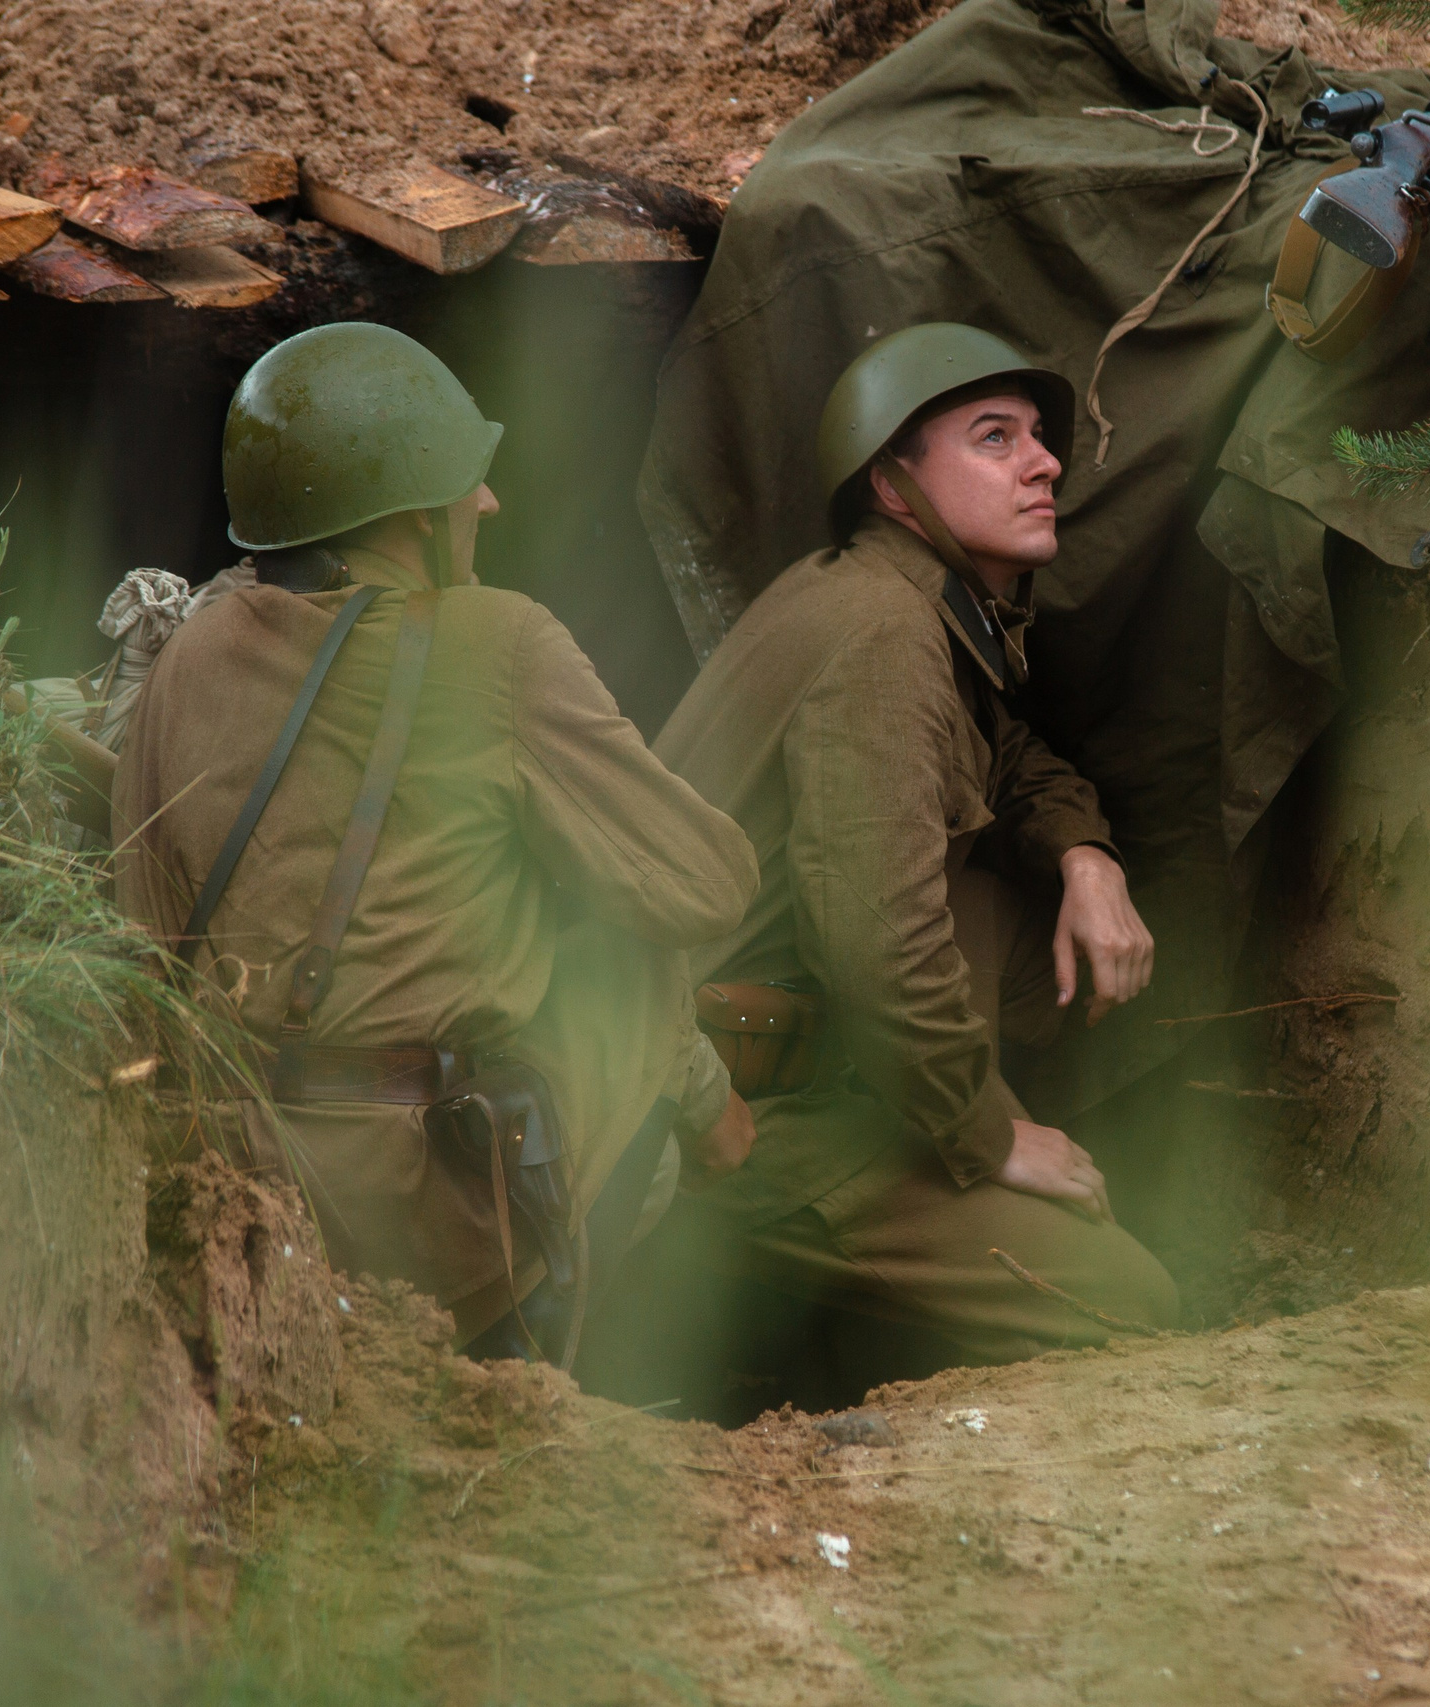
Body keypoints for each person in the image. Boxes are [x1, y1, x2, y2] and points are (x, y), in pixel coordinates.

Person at [113, 322, 761, 1361]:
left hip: (226, 1180)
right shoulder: (499, 641)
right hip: (418, 1213)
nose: (488, 503)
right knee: (636, 957)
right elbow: (707, 881)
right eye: (467, 482)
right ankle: (533, 1360)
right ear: (414, 514)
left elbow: (142, 926)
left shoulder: (187, 653)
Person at [652, 322, 1179, 1367]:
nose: (1044, 463)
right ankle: (786, 1277)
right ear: (894, 486)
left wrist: (1086, 855)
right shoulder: (884, 636)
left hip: (783, 1033)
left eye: (1037, 437)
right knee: (1132, 1306)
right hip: (751, 1102)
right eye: (994, 438)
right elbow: (876, 946)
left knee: (1037, 947)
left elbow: (1001, 754)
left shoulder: (897, 595)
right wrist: (989, 1137)